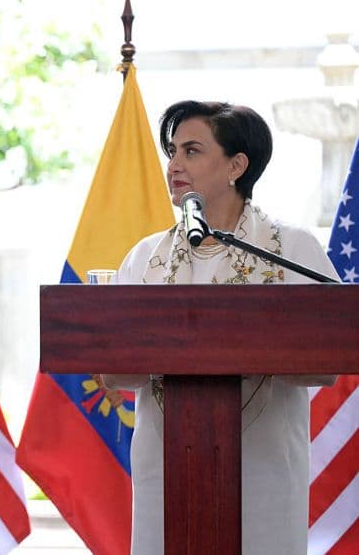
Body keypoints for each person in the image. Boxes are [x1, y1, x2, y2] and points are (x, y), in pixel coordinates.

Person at [103, 100, 339, 554]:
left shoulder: (291, 248)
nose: (174, 165)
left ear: (236, 165)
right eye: (171, 151)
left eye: (192, 151)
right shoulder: (144, 257)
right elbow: (116, 373)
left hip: (262, 473)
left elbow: (326, 364)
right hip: (166, 470)